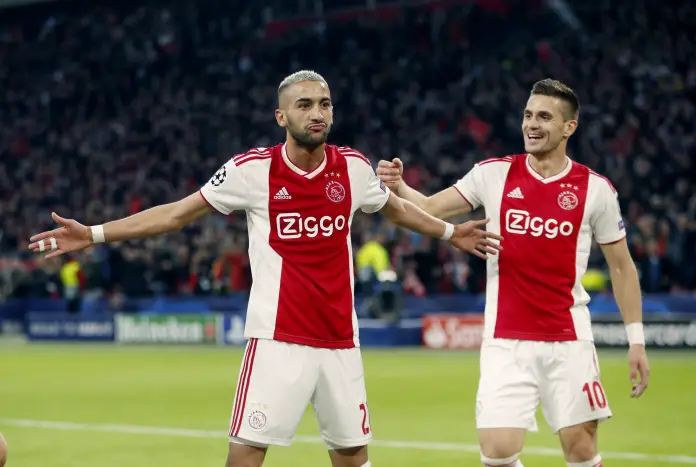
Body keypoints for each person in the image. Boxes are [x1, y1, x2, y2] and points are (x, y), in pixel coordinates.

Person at [28, 70, 503, 467]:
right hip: (278, 341)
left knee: (353, 457)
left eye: (324, 104)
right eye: (304, 105)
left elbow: (396, 209)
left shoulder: (354, 169)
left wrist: (449, 232)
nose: (317, 113)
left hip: (340, 340)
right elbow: (175, 213)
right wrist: (92, 234)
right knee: (245, 459)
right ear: (281, 116)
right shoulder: (250, 171)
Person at [376, 78, 651, 467]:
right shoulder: (493, 173)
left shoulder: (595, 189)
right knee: (497, 452)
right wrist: (400, 186)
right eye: (527, 115)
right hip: (505, 340)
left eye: (544, 116)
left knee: (582, 451)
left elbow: (622, 267)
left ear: (569, 127)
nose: (531, 124)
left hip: (568, 340)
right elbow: (432, 209)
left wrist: (635, 340)